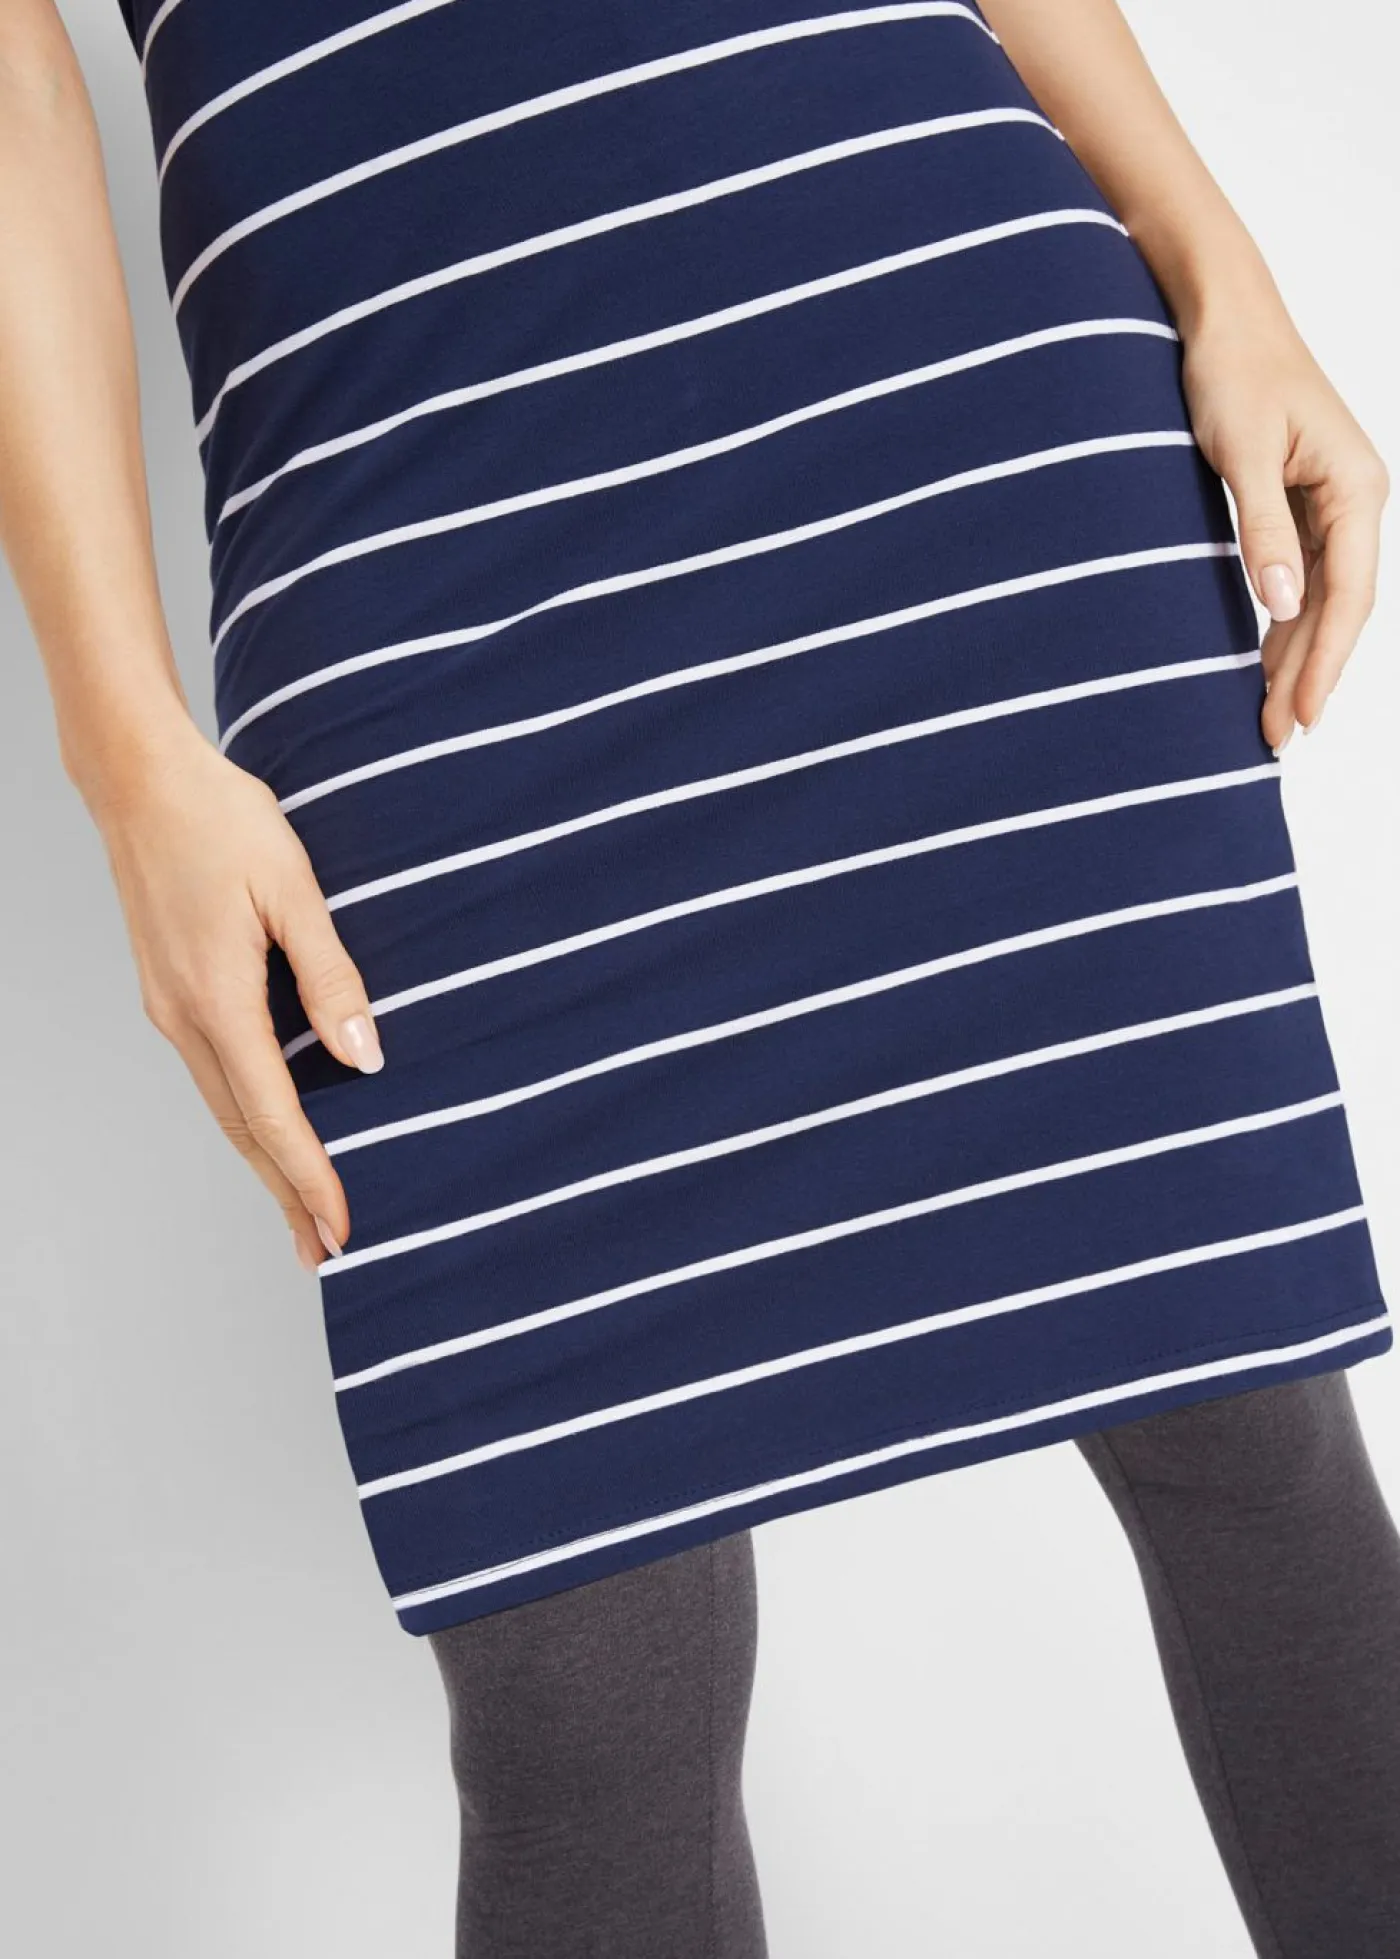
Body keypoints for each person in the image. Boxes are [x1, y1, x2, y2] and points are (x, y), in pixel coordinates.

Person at [2, 0, 1396, 1951]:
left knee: (1244, 1435)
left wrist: (1216, 260)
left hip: (961, 442)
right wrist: (124, 750)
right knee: (575, 1672)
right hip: (415, 580)